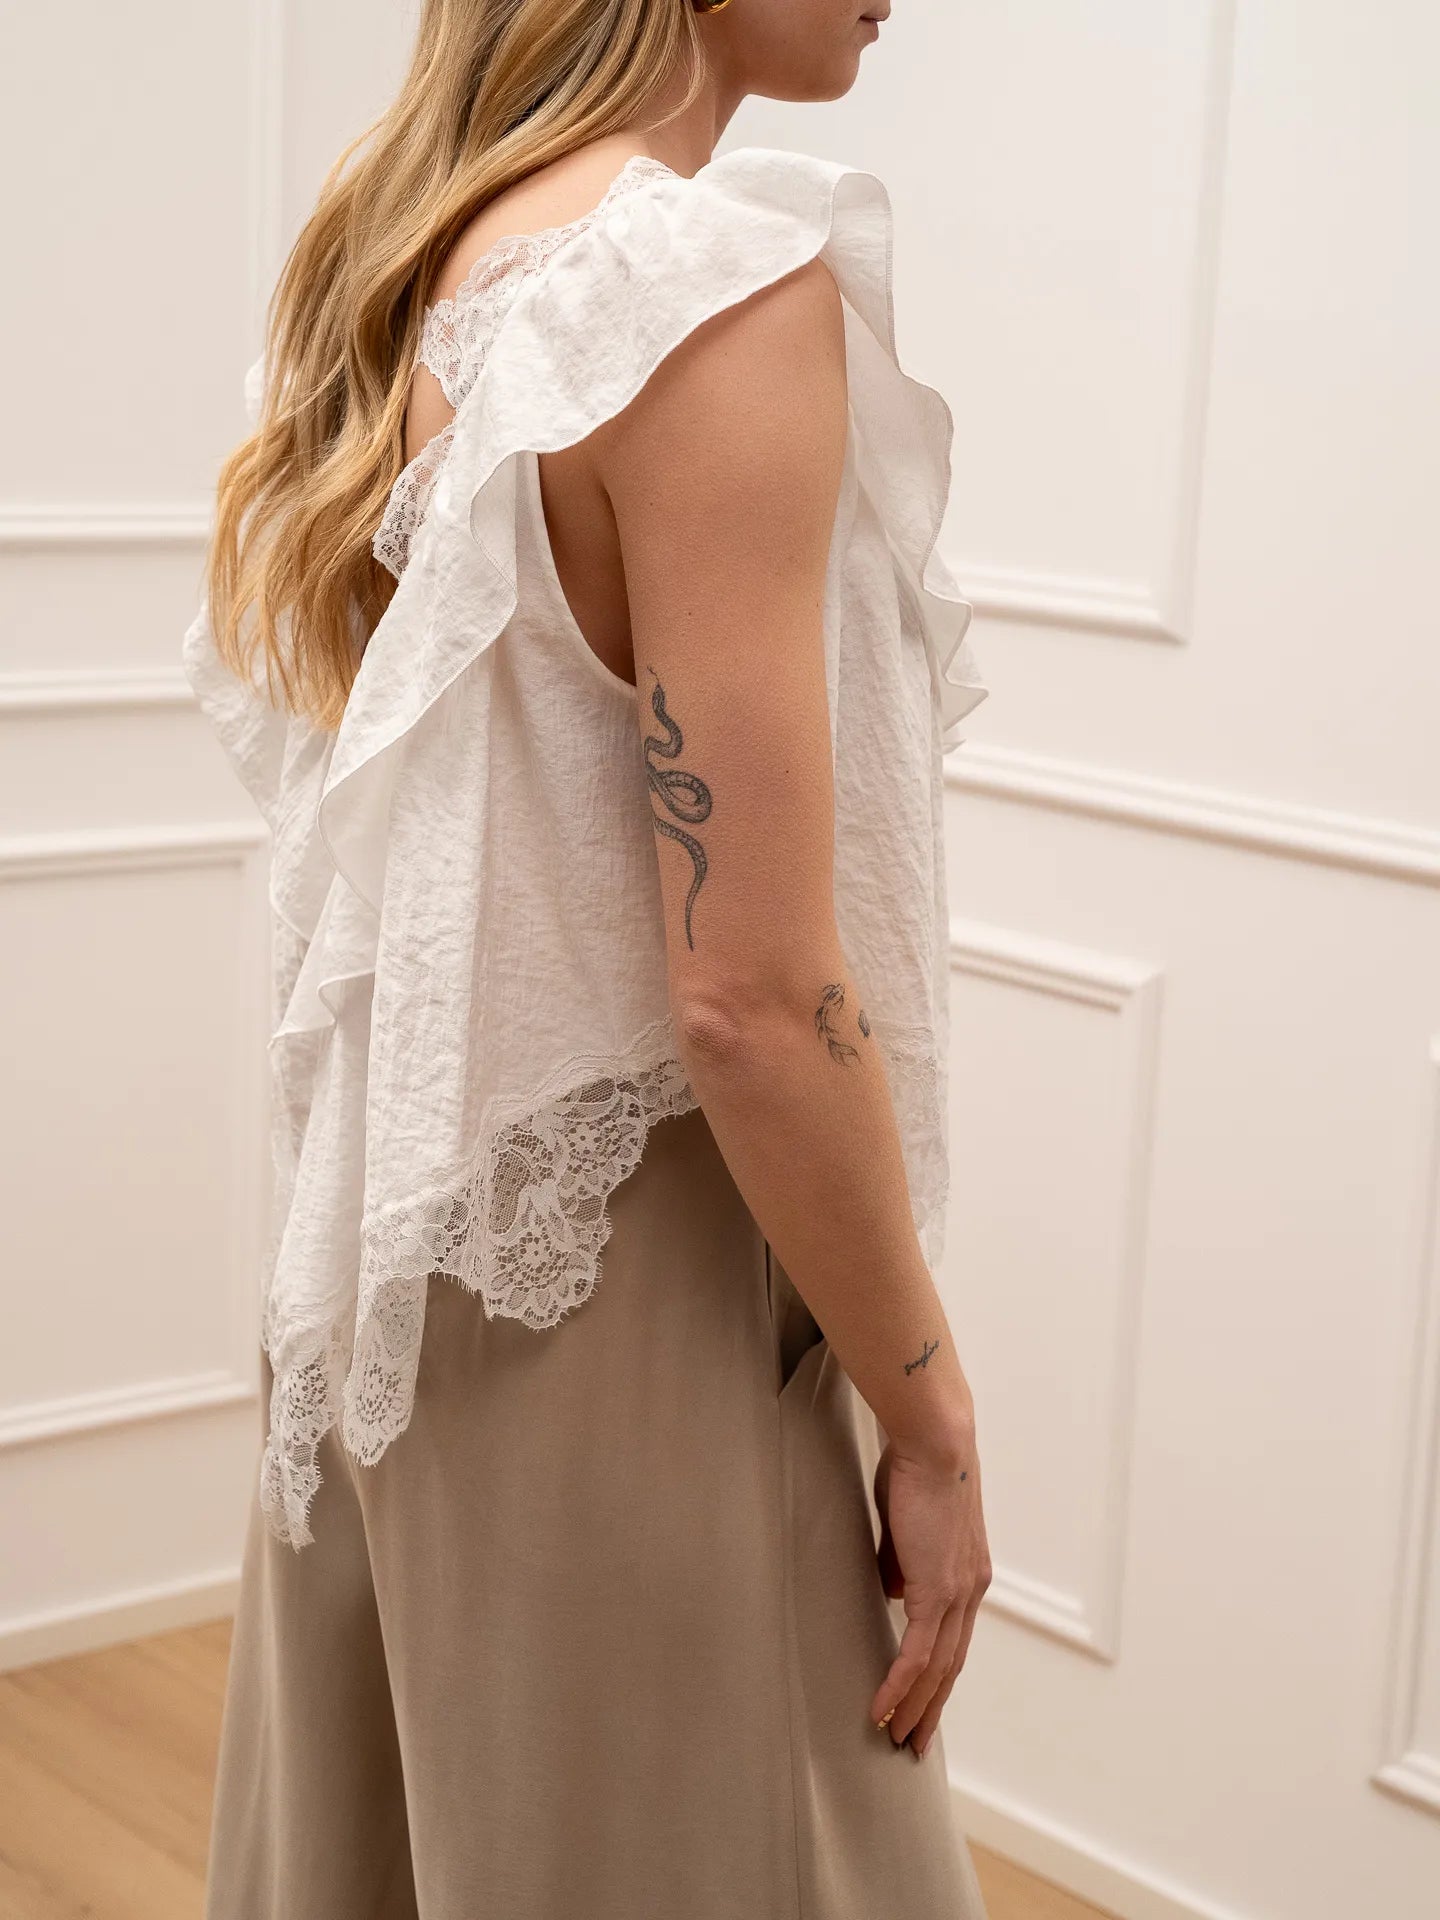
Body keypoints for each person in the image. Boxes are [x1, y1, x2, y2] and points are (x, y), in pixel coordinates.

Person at [184, 1, 995, 1914]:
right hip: (633, 1299)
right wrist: (932, 1419)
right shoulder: (704, 295)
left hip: (401, 1276)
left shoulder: (409, 276)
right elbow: (748, 995)